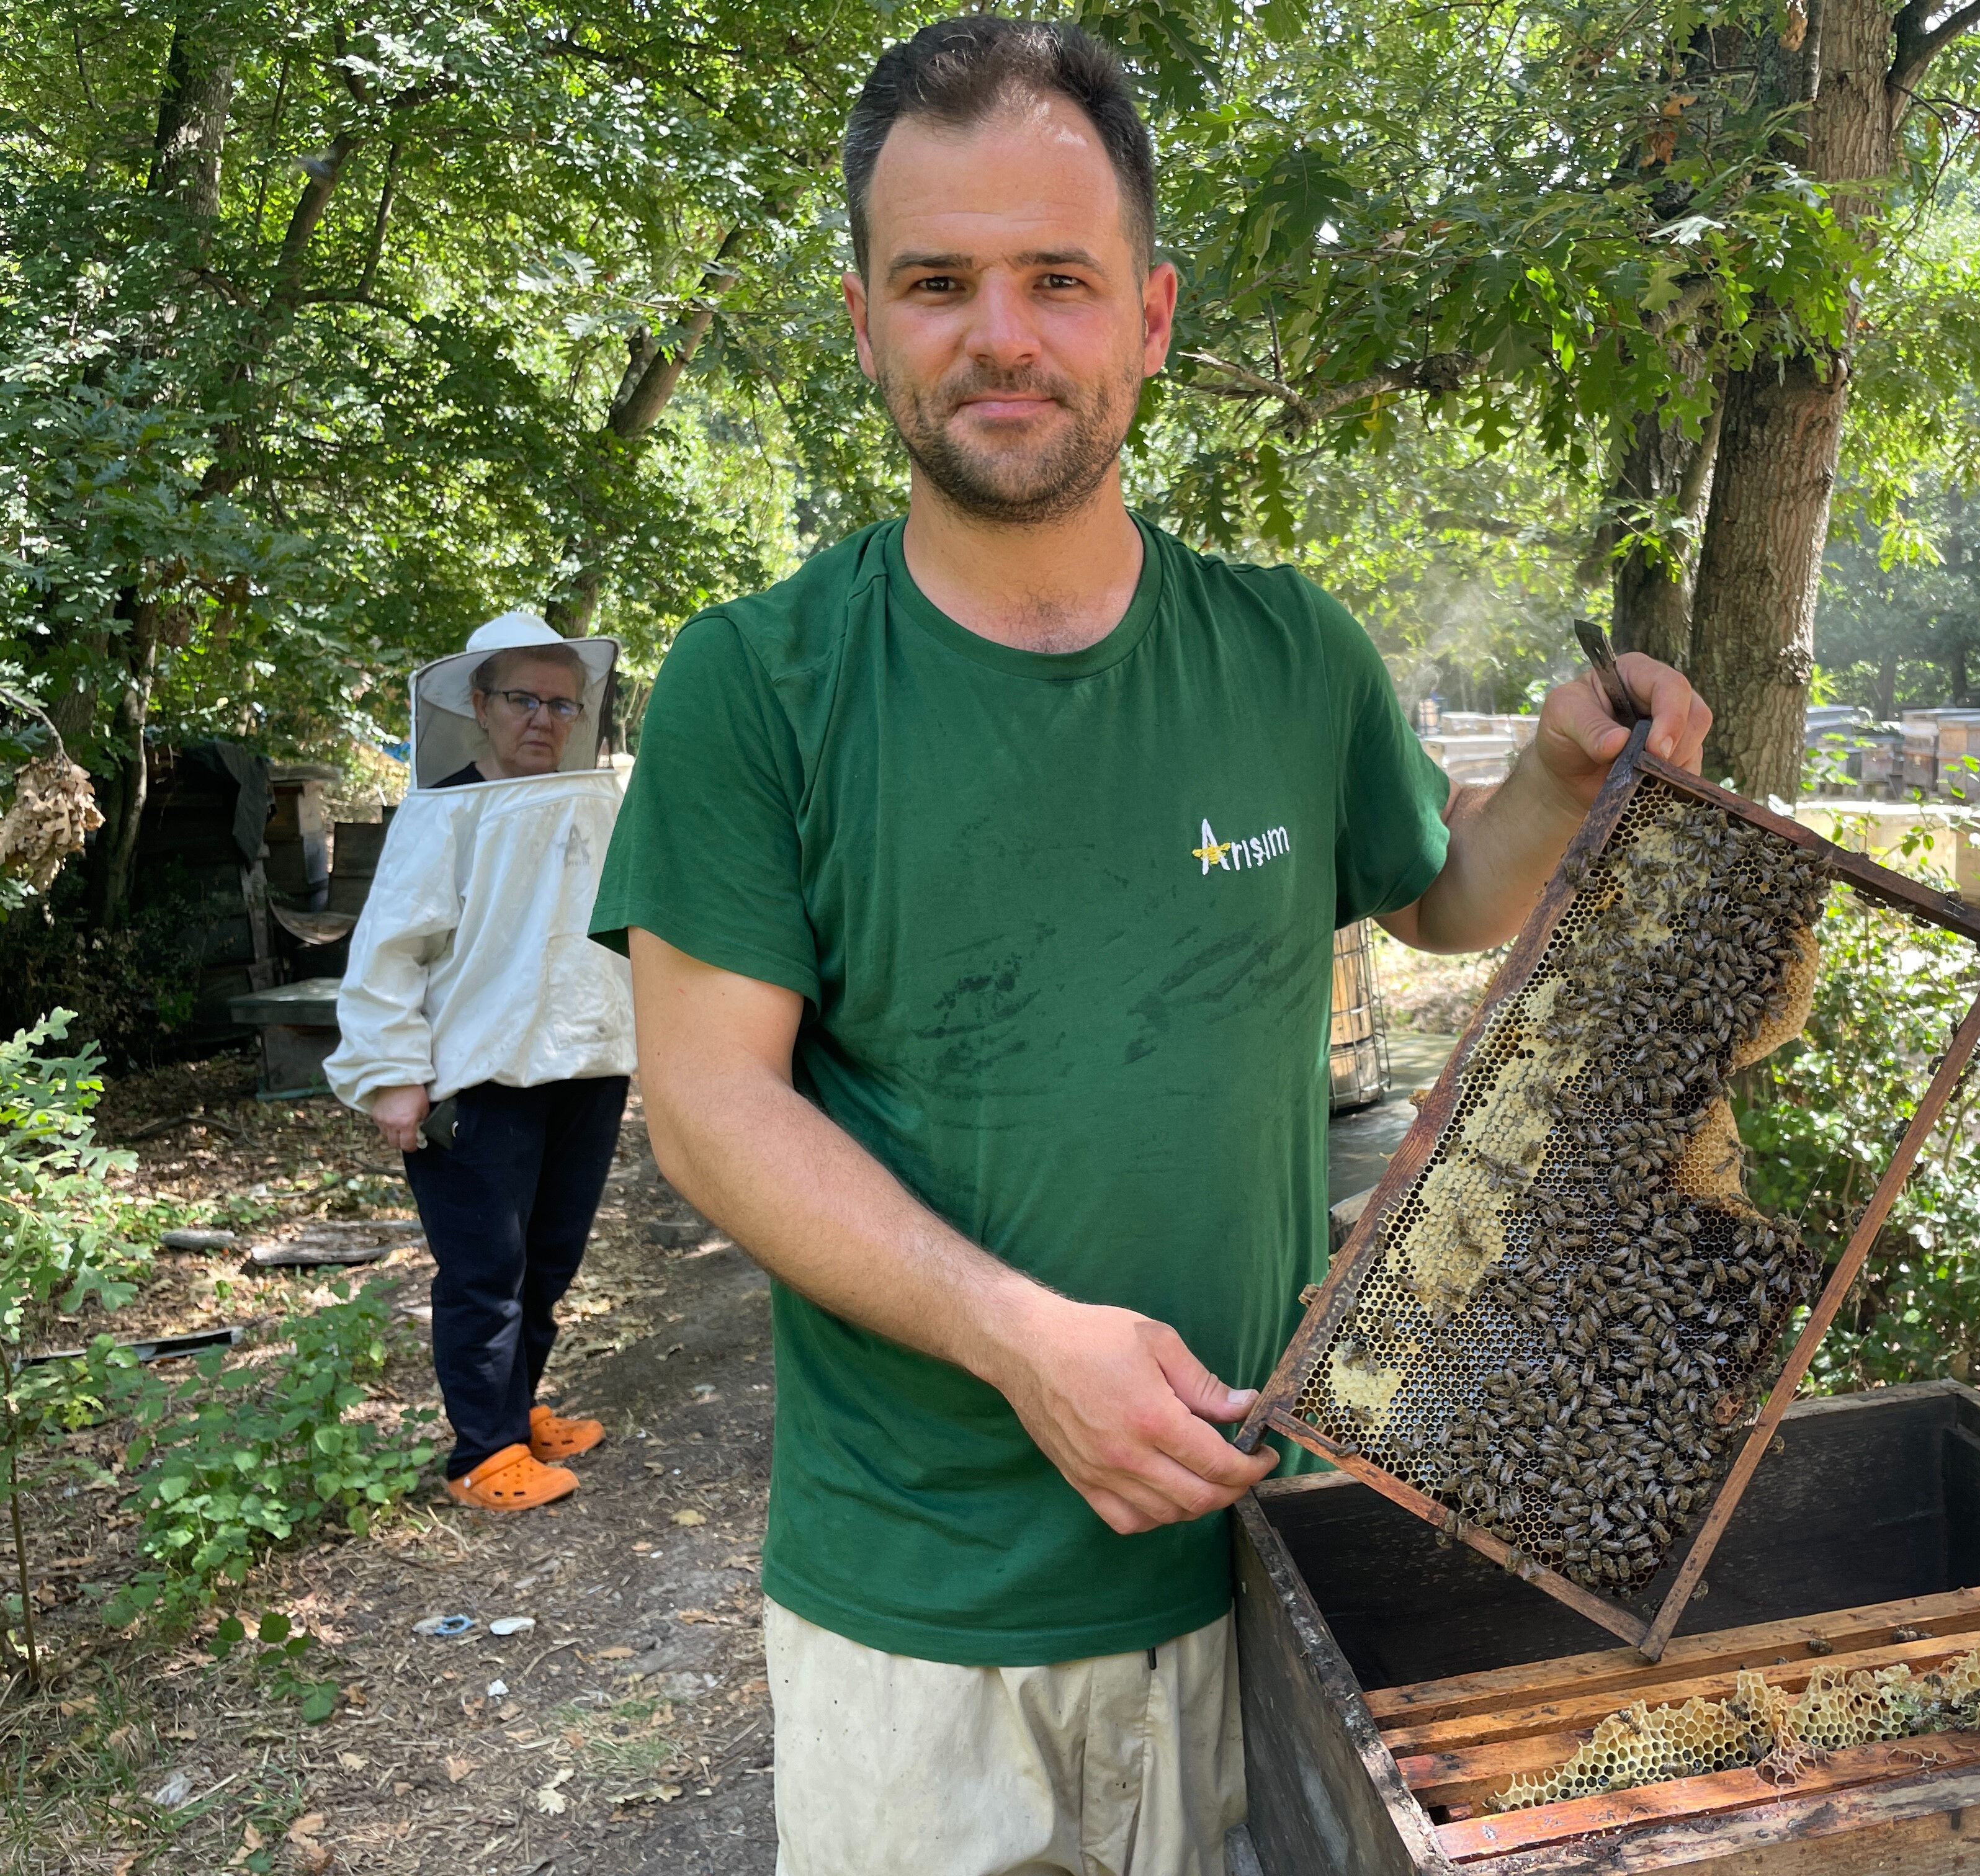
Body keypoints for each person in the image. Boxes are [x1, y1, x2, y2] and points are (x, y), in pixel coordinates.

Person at [591, 19, 1710, 1874]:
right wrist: (1025, 1342)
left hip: (1278, 1564)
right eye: (938, 282)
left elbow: (1439, 900)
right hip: (926, 1620)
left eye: (1059, 280)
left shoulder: (1290, 653)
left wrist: (1553, 775)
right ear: (866, 323)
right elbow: (709, 1111)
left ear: (1153, 318)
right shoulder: (758, 682)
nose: (1001, 335)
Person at [329, 611, 637, 1512]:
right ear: (479, 703)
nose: (543, 718)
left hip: (584, 1067)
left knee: (548, 1261)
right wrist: (393, 1076)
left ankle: (516, 1412)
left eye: (560, 703)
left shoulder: (595, 799)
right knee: (484, 1273)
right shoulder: (441, 813)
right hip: (479, 1082)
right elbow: (389, 953)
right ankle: (481, 1454)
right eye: (522, 699)